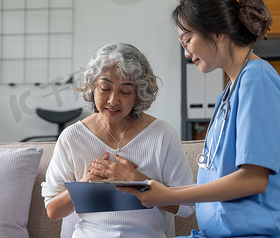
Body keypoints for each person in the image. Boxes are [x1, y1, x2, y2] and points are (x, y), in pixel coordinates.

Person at [119, 0, 280, 237]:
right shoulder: (232, 89)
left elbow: (253, 179)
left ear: (217, 32)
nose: (186, 52)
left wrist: (168, 194)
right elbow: (216, 179)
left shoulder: (258, 80)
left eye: (187, 40)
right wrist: (157, 192)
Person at [41, 43, 195, 238]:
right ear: (92, 88)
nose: (113, 100)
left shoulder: (162, 134)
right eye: (105, 88)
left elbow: (187, 207)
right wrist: (86, 183)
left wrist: (138, 181)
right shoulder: (73, 137)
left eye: (125, 92)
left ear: (139, 93)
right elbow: (53, 210)